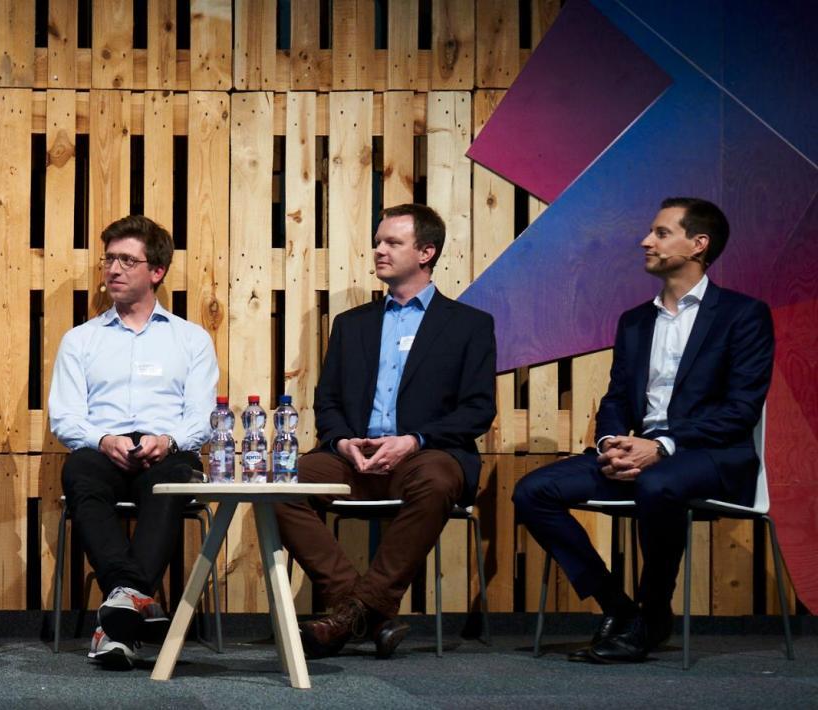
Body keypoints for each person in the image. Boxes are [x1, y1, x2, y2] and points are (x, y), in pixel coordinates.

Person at [513, 197, 773, 664]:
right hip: (640, 453)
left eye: (660, 232)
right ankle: (622, 609)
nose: (645, 241)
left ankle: (654, 612)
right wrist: (612, 443)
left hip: (712, 455)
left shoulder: (743, 315)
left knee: (658, 482)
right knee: (533, 491)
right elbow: (616, 399)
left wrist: (663, 446)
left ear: (699, 244)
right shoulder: (635, 321)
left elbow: (741, 410)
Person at [274, 203, 496, 659]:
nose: (379, 250)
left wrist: (414, 440)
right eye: (378, 241)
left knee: (437, 481)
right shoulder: (351, 325)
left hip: (427, 454)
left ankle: (350, 614)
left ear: (426, 252)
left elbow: (477, 410)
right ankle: (364, 608)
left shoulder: (469, 325)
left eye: (392, 242)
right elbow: (329, 403)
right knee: (281, 483)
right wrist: (341, 442)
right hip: (354, 456)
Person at [48, 215, 217, 669]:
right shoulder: (81, 340)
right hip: (103, 451)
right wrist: (103, 439)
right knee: (79, 468)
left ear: (156, 271)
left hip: (167, 451)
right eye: (109, 259)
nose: (113, 269)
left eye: (127, 260)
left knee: (171, 477)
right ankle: (137, 600)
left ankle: (117, 621)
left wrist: (170, 439)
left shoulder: (191, 339)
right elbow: (64, 417)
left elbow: (201, 417)